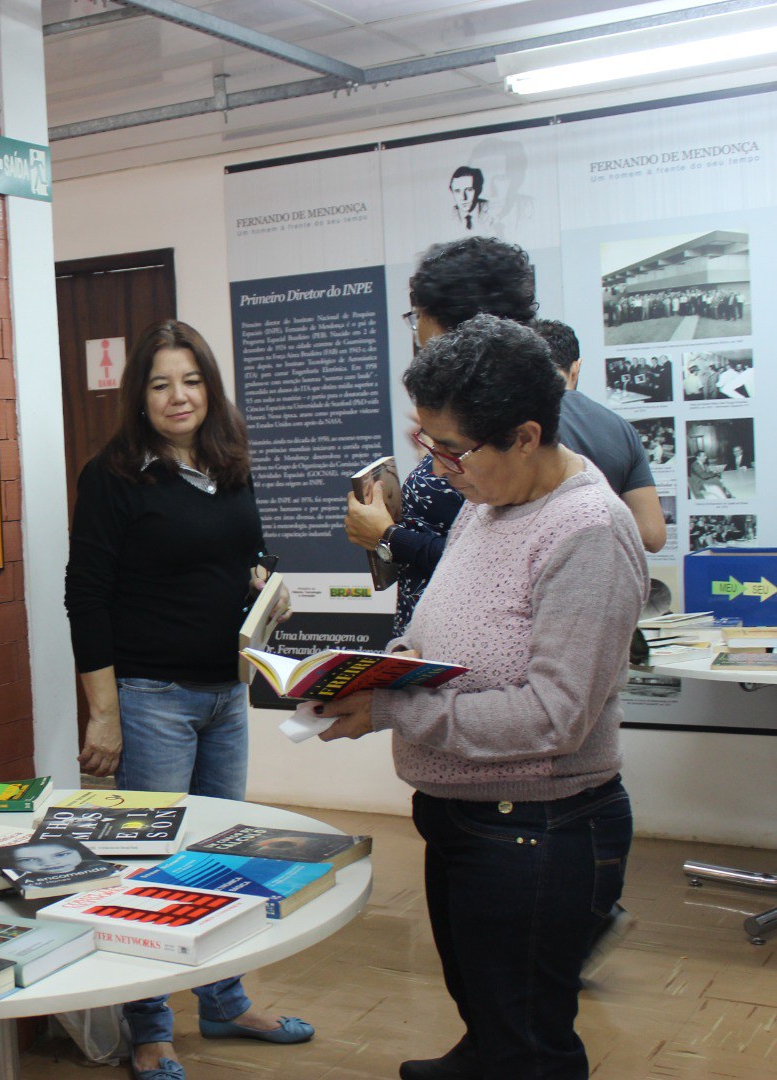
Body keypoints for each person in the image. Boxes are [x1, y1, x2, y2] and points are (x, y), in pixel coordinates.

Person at [321, 315, 646, 1080]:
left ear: (527, 436)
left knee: (530, 1044)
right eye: (425, 442)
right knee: (488, 1004)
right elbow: (450, 614)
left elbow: (552, 717)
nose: (435, 467)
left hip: (536, 826)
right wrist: (392, 665)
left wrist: (394, 707)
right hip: (469, 814)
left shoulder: (588, 530)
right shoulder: (488, 495)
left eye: (451, 449)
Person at [65, 319, 309, 1080]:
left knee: (217, 859)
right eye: (162, 383)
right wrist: (103, 712)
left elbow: (252, 552)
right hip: (152, 697)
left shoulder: (228, 463)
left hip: (225, 694)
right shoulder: (113, 476)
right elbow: (87, 597)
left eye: (192, 380)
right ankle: (150, 1024)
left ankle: (225, 1001)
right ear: (140, 395)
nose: (179, 396)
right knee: (154, 863)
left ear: (211, 388)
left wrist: (269, 586)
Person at [345, 235, 538, 633]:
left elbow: (496, 566)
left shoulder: (506, 433)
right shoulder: (488, 413)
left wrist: (389, 535)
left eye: (419, 317)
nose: (417, 334)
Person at [532, 319, 665, 552]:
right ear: (576, 367)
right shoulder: (620, 428)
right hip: (607, 572)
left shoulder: (520, 427)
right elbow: (653, 536)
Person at [448, 166, 490, 231]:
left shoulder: (491, 210)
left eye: (469, 190)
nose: (463, 197)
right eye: (457, 191)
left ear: (478, 190)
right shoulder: (449, 217)